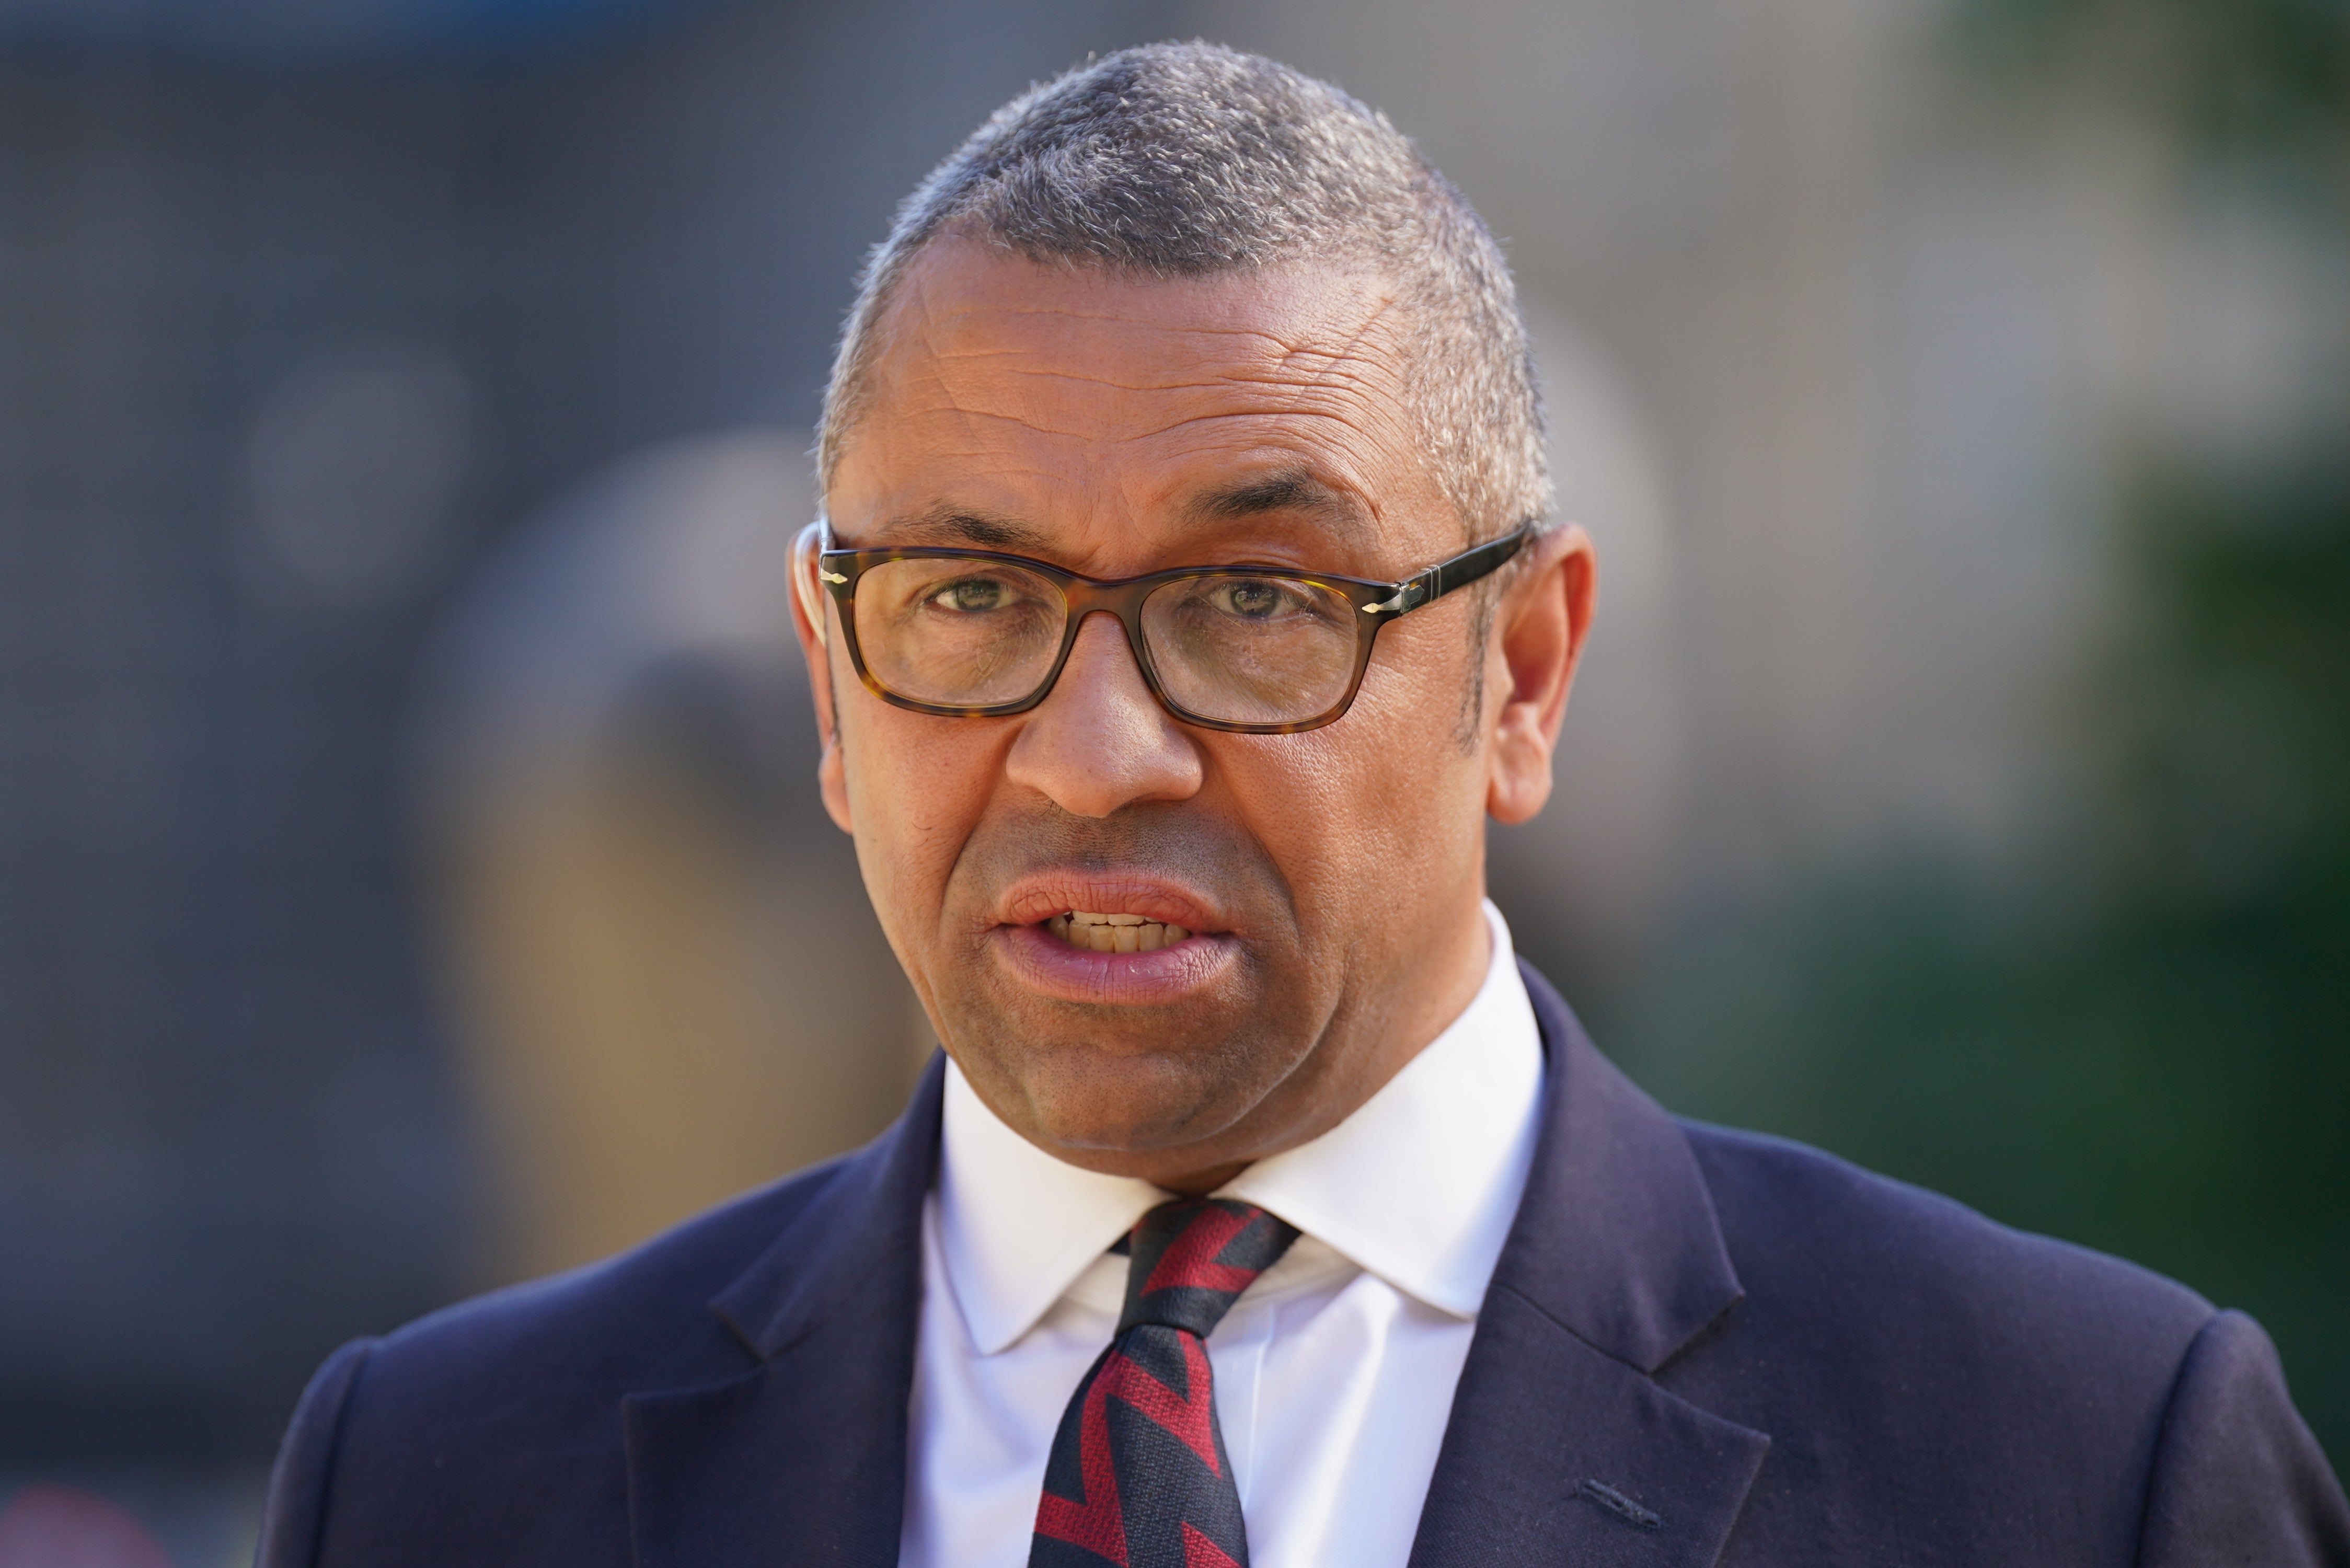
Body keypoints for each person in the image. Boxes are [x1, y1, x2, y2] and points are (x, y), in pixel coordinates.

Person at [256, 42, 2349, 1568]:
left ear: (1521, 670)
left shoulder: (2074, 1472)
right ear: (825, 680)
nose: (1089, 753)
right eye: (968, 598)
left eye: (1255, 601)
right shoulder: (437, 1484)